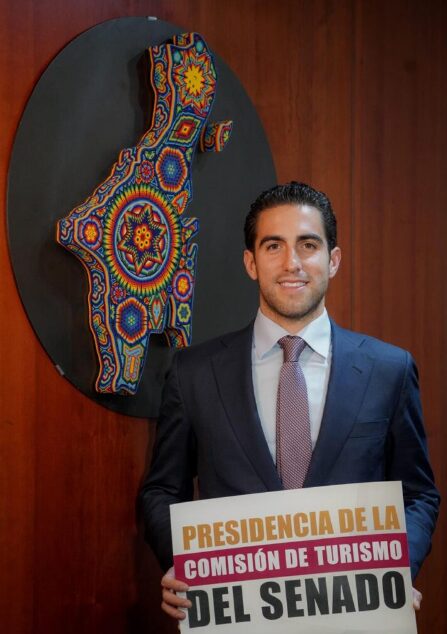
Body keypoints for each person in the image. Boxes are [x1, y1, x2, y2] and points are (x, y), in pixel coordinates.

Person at [139, 181, 439, 620]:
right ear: (251, 262)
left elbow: (418, 494)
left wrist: (396, 569)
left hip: (356, 615)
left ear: (333, 260)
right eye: (273, 245)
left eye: (308, 245)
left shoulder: (389, 370)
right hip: (237, 617)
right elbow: (163, 489)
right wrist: (184, 564)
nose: (291, 263)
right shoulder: (194, 373)